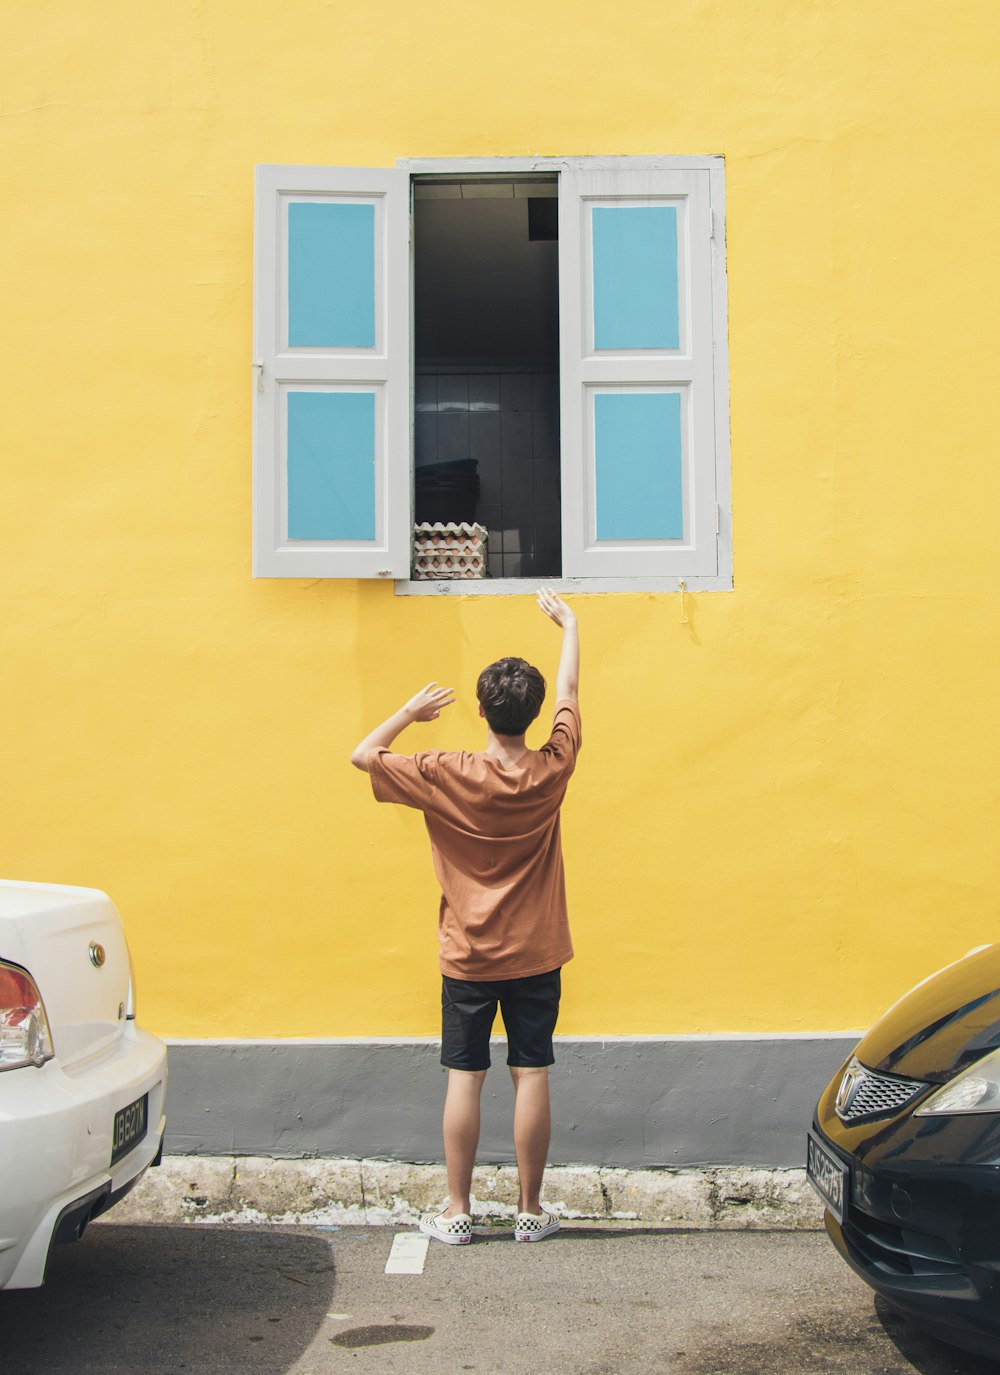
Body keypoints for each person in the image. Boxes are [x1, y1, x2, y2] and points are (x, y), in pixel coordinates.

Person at [349, 588, 581, 1244]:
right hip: (537, 951)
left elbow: (363, 755)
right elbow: (569, 689)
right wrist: (570, 625)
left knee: (466, 1075)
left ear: (479, 708)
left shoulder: (446, 772)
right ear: (534, 717)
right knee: (531, 1070)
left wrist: (408, 712)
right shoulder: (554, 767)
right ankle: (530, 1210)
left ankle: (457, 1210)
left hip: (468, 953)